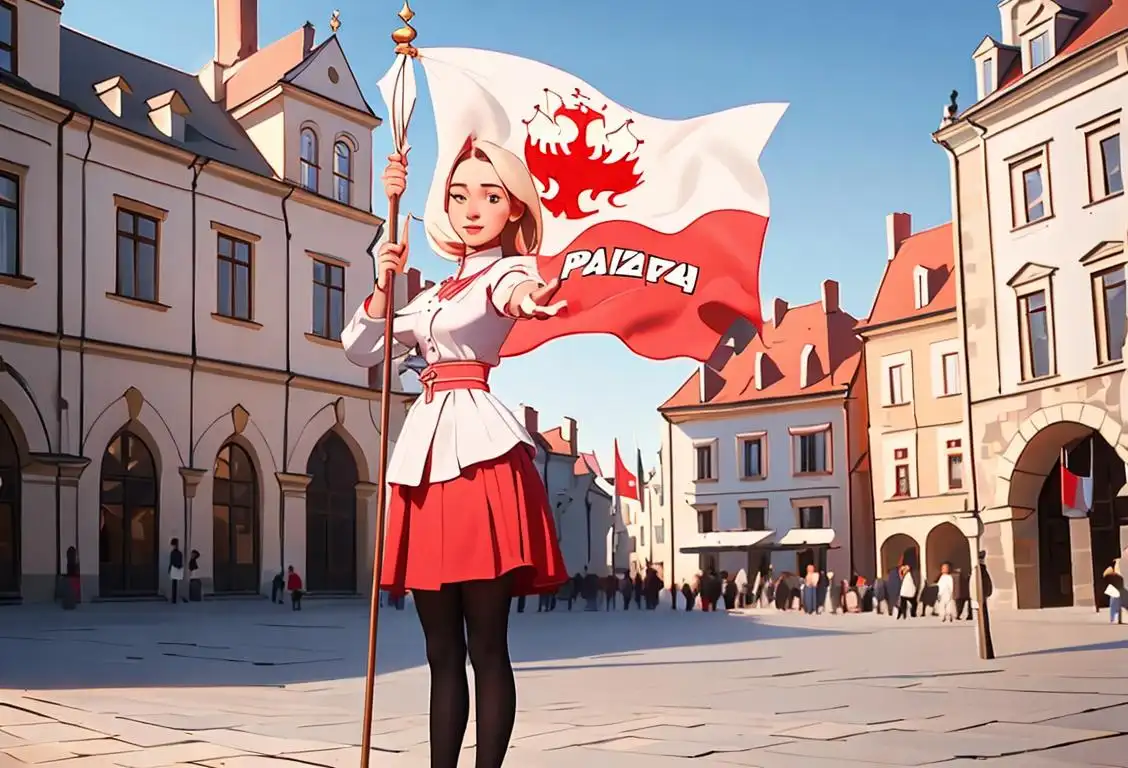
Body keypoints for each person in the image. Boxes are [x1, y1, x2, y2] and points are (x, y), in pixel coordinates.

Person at [341, 140, 568, 768]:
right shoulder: (435, 292)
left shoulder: (502, 274)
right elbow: (360, 349)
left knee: (486, 645)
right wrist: (384, 284)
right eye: (460, 194)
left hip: (481, 458)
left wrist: (532, 300)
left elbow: (516, 293)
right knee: (440, 650)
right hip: (424, 456)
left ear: (513, 207)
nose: (473, 208)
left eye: (491, 196)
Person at [168, 538, 184, 605]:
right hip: (178, 568)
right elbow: (180, 561)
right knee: (175, 583)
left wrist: (169, 569)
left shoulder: (173, 553)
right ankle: (175, 598)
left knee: (174, 583)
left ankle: (174, 598)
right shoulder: (179, 553)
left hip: (174, 568)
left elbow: (171, 562)